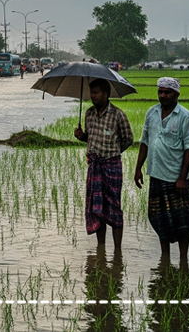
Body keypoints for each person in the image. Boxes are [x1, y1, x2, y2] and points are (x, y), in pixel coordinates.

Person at [134, 76, 189, 262]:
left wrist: (182, 178)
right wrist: (138, 168)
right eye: (160, 92)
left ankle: (183, 258)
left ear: (176, 94)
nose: (163, 95)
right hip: (156, 174)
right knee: (160, 217)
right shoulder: (151, 113)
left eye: (167, 92)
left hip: (176, 177)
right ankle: (165, 257)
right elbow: (145, 141)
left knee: (181, 221)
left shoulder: (185, 117)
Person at [75, 78, 134, 250]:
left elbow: (128, 139)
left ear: (106, 94)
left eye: (96, 93)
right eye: (91, 93)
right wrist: (82, 137)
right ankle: (101, 247)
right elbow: (90, 137)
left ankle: (117, 250)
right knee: (97, 208)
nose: (92, 96)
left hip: (111, 166)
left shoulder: (118, 115)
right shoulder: (89, 114)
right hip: (94, 167)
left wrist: (112, 153)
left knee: (114, 208)